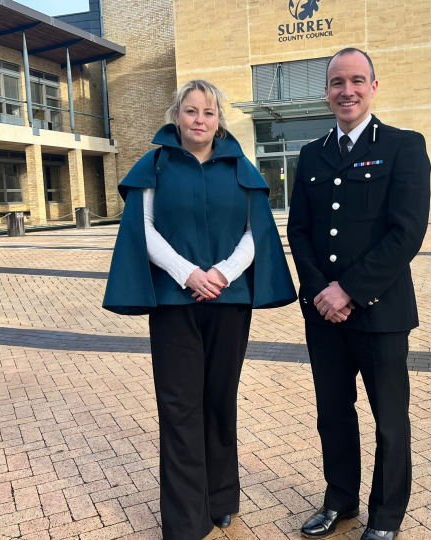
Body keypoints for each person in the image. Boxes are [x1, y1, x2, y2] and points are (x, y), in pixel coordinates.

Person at [102, 80, 296, 540]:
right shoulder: (154, 164)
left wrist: (223, 274)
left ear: (218, 119)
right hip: (174, 302)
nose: (199, 120)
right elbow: (143, 229)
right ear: (176, 115)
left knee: (218, 400)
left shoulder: (239, 166)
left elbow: (257, 231)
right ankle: (187, 519)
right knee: (178, 405)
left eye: (208, 113)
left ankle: (222, 497)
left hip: (228, 302)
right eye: (190, 111)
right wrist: (188, 273)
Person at [287, 48, 430, 540]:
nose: (346, 90)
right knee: (333, 414)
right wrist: (322, 294)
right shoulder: (310, 155)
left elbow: (406, 233)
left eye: (356, 80)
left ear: (373, 86)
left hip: (380, 311)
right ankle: (340, 501)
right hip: (324, 316)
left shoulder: (403, 146)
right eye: (336, 82)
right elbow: (300, 232)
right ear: (326, 91)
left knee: (389, 420)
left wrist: (347, 290)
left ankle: (386, 517)